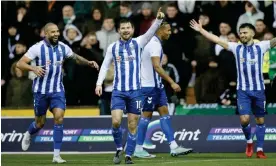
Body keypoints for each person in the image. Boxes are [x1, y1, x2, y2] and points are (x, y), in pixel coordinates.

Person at [190, 19, 276, 159]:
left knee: (260, 121)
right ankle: (249, 142)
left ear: (252, 33)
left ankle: (260, 149)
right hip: (243, 91)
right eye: (240, 33)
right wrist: (201, 30)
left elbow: (274, 41)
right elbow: (217, 39)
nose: (242, 35)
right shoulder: (236, 47)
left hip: (259, 90)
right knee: (244, 120)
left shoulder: (262, 46)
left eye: (245, 32)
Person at [16, 22, 99, 163]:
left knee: (59, 117)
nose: (56, 34)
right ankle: (29, 133)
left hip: (57, 90)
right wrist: (33, 68)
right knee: (40, 123)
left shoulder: (63, 47)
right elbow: (20, 63)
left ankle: (56, 155)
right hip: (40, 91)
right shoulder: (37, 48)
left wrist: (88, 62)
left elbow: (75, 57)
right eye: (53, 32)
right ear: (46, 33)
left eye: (57, 31)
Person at [95, 7, 165, 165]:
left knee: (133, 123)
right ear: (118, 30)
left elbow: (151, 31)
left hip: (136, 93)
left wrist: (159, 20)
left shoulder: (139, 42)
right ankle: (119, 148)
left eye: (128, 28)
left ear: (132, 30)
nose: (125, 30)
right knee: (116, 122)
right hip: (118, 91)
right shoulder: (113, 47)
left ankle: (129, 155)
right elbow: (105, 66)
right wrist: (99, 83)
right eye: (123, 28)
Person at [134, 22, 193, 158]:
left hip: (157, 86)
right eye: (168, 30)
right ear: (160, 30)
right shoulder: (154, 43)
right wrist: (172, 82)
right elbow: (157, 66)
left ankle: (174, 147)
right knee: (146, 116)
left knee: (165, 113)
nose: (170, 32)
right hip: (149, 86)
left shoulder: (155, 42)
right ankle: (137, 148)